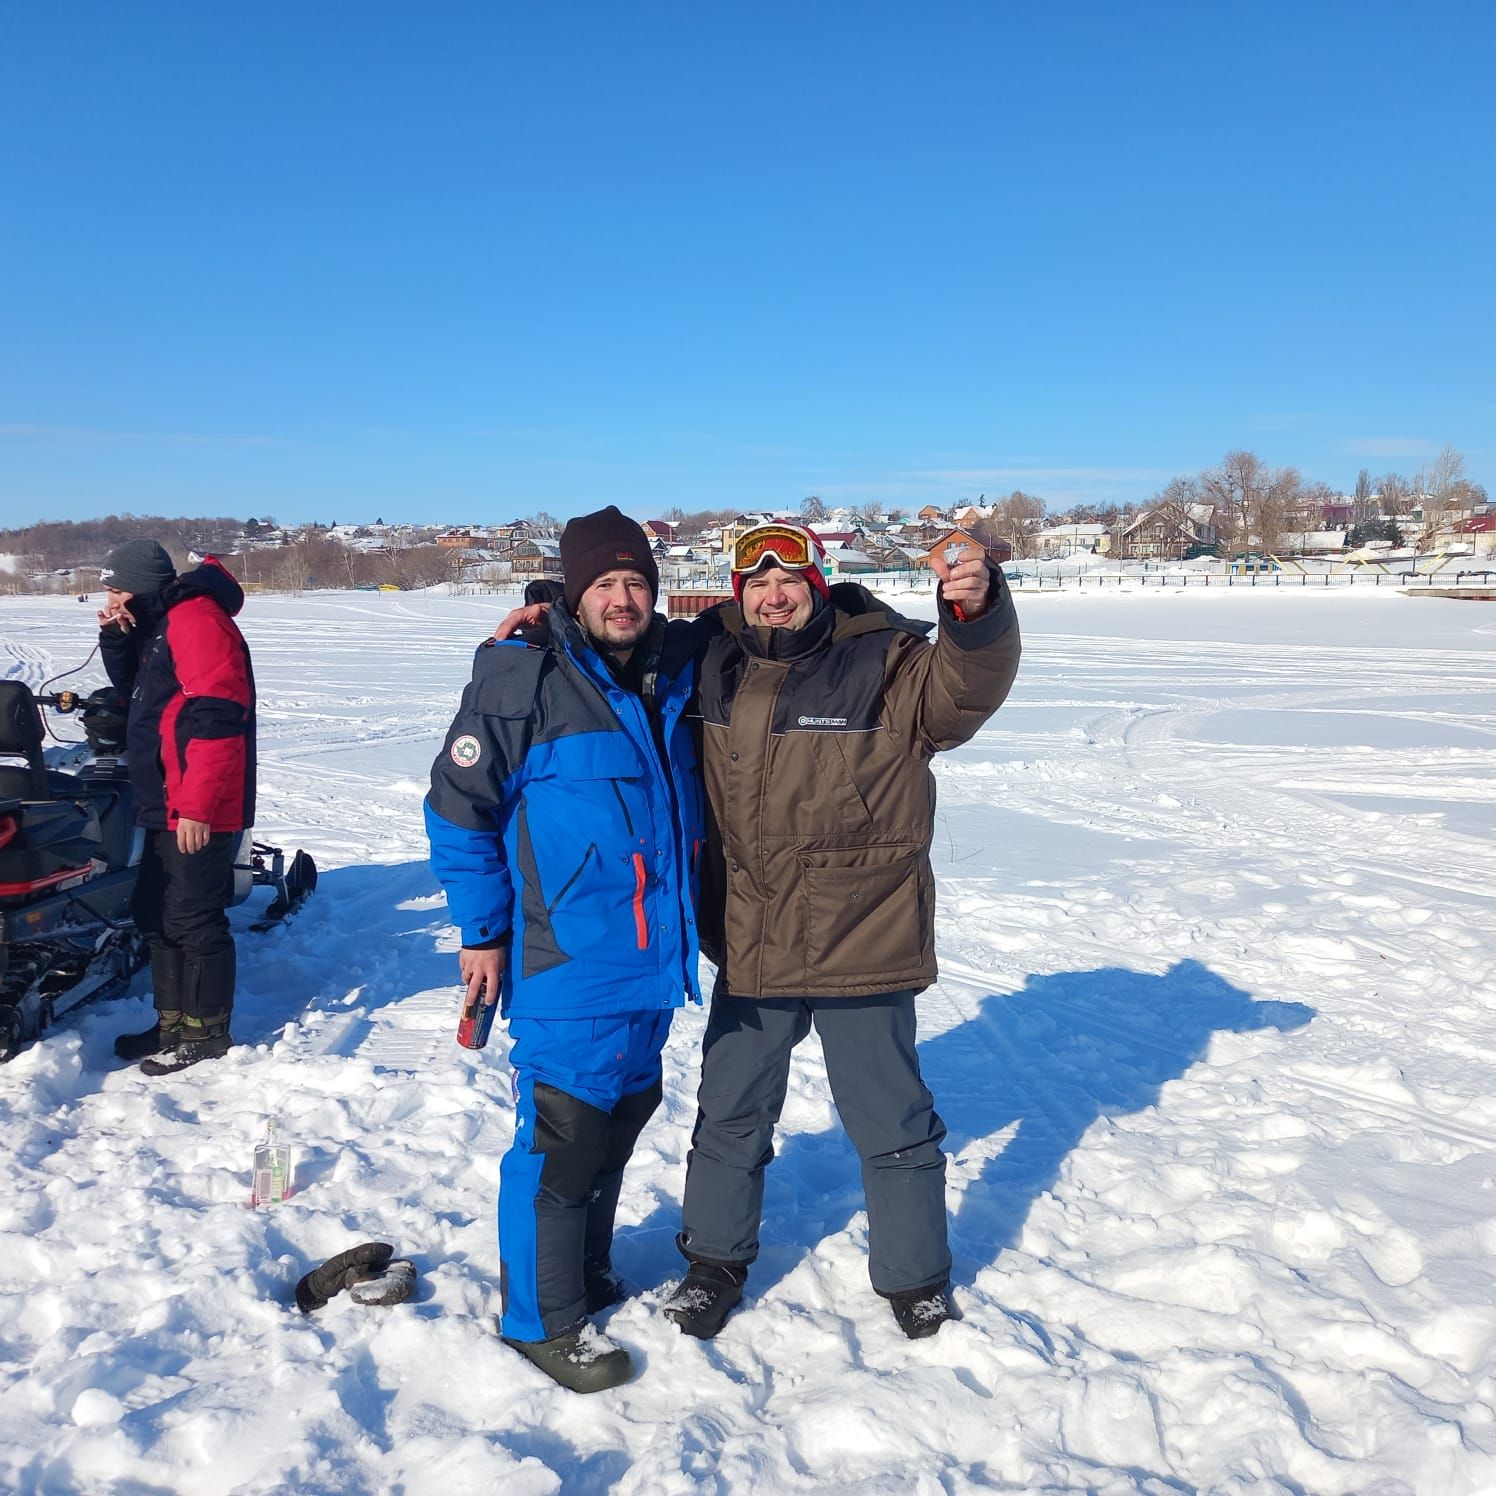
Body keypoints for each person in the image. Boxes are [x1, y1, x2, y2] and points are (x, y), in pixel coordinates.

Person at [661, 522, 1021, 1342]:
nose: (774, 595)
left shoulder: (887, 661)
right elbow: (617, 646)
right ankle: (713, 1262)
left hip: (864, 932)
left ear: (819, 583)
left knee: (891, 1118)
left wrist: (977, 612)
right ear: (737, 592)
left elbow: (965, 688)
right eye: (756, 584)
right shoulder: (707, 660)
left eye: (789, 579)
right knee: (729, 1111)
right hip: (752, 933)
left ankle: (915, 1276)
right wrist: (548, 623)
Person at [425, 506, 704, 1394]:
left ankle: (582, 1273)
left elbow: (764, 628)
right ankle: (538, 1321)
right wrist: (482, 933)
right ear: (574, 594)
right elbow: (457, 812)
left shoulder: (668, 673)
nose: (623, 599)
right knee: (559, 1136)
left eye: (636, 583)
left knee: (618, 1123)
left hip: (651, 961)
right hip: (565, 960)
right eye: (605, 585)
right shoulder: (524, 681)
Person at [100, 540, 257, 1075]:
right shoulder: (163, 623)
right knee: (155, 914)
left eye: (118, 588)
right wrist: (116, 638)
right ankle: (171, 1023)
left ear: (143, 584)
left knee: (194, 917)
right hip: (163, 800)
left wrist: (199, 806)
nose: (112, 597)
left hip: (196, 805)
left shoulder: (197, 621)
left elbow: (218, 718)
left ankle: (206, 1031)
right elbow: (139, 694)